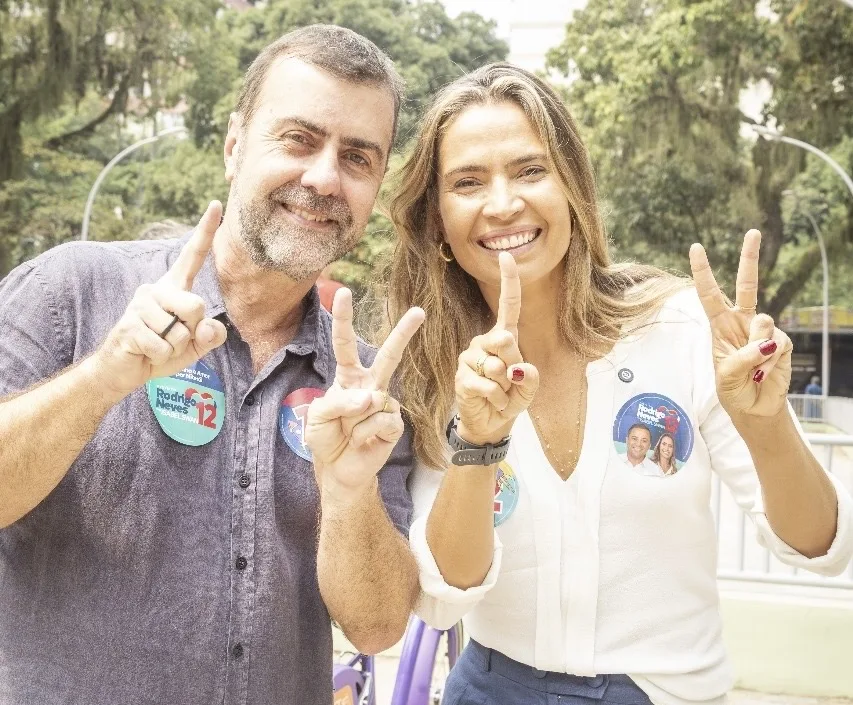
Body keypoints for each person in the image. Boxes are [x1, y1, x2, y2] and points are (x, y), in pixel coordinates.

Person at [385, 63, 853, 705]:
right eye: (467, 182)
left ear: (572, 185)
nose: (502, 204)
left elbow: (820, 547)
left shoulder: (683, 328)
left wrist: (766, 422)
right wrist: (479, 442)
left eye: (529, 170)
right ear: (438, 220)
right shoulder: (433, 367)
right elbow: (445, 596)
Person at [0, 25, 425, 705]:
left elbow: (375, 627)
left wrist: (349, 493)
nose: (323, 177)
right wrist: (101, 378)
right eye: (298, 139)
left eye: (357, 157)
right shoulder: (72, 292)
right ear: (234, 146)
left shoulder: (364, 393)